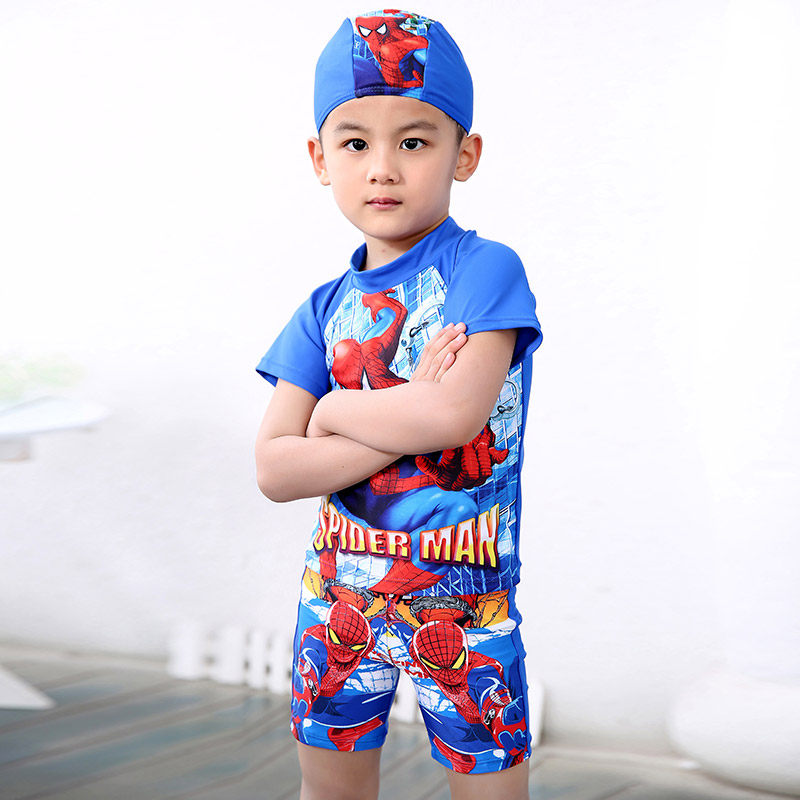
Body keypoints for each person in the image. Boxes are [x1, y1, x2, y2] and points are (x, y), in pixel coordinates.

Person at [254, 9, 543, 800]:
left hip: (465, 605)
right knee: (331, 791)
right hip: (336, 601)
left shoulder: (484, 271)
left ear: (464, 154)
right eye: (355, 143)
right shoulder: (321, 310)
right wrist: (408, 404)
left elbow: (454, 420)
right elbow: (275, 471)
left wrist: (332, 414)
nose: (382, 168)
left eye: (414, 142)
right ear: (320, 159)